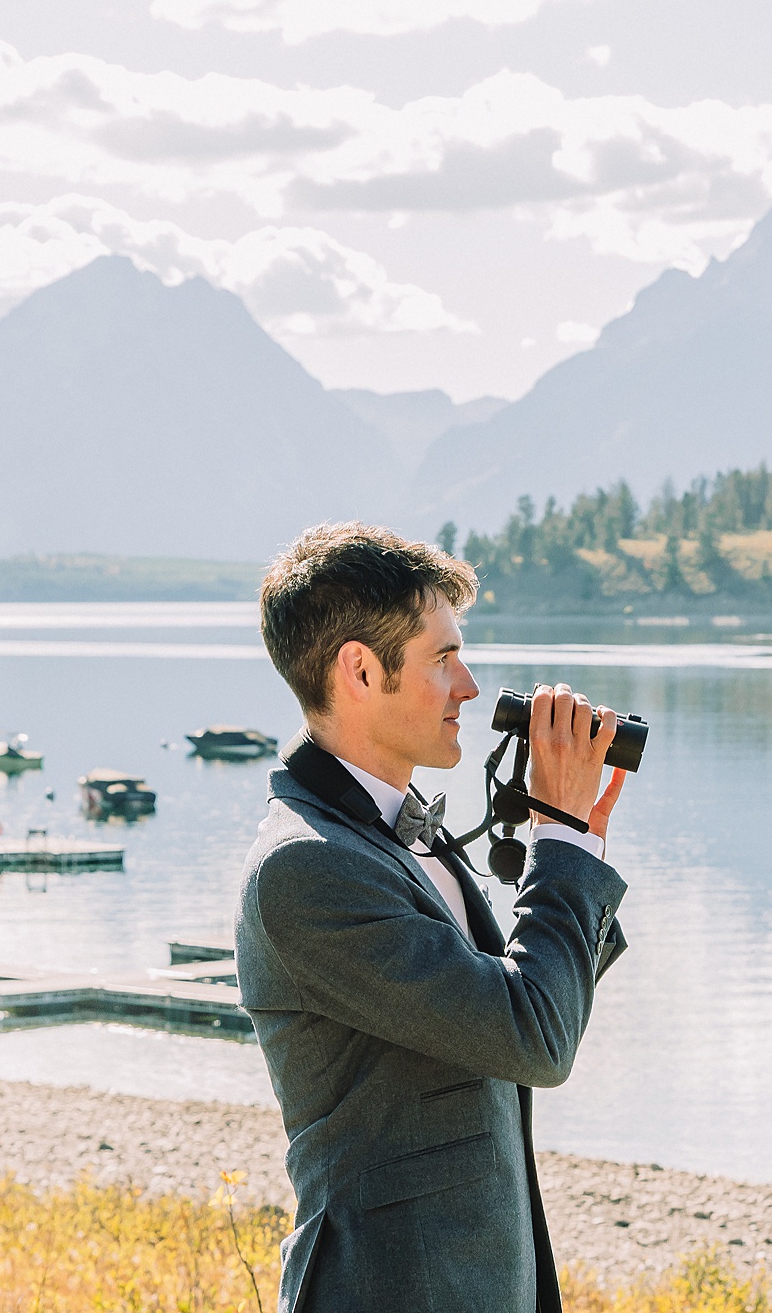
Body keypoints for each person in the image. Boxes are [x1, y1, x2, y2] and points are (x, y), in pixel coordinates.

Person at [236, 521, 631, 1312]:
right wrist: (558, 842)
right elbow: (536, 1039)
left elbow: (523, 1013)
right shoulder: (306, 867)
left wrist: (575, 838)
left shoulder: (395, 826)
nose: (471, 688)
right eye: (444, 658)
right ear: (359, 668)